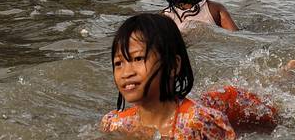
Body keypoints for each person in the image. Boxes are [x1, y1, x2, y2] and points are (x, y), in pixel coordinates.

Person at [100, 14, 277, 138]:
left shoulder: (199, 124)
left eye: (138, 58)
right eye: (118, 63)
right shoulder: (116, 124)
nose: (126, 72)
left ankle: (282, 75)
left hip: (232, 102)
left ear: (173, 66)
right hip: (203, 101)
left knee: (276, 111)